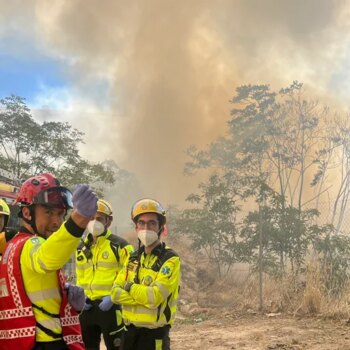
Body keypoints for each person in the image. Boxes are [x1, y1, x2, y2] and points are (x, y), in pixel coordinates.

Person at [0, 172, 98, 350]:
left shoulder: (13, 245)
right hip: (45, 343)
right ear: (27, 213)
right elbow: (47, 257)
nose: (57, 222)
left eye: (61, 214)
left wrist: (65, 300)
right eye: (48, 212)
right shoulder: (31, 244)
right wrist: (79, 218)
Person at [111, 198, 181, 350]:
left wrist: (129, 287)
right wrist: (141, 295)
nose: (146, 228)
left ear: (161, 227)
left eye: (152, 223)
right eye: (141, 223)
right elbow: (115, 293)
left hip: (154, 336)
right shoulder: (133, 258)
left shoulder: (170, 259)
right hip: (128, 334)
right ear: (136, 227)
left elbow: (155, 297)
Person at [76, 199, 134, 350]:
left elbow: (132, 273)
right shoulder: (81, 248)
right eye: (92, 218)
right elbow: (80, 275)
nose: (94, 222)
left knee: (116, 347)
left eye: (99, 219)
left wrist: (114, 297)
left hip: (110, 307)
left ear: (109, 221)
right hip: (87, 308)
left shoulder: (120, 246)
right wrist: (82, 296)